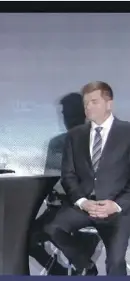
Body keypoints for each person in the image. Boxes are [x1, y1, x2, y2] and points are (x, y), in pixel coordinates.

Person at [44, 81, 130, 276]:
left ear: (109, 104)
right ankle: (85, 264)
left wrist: (115, 205)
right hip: (85, 207)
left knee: (115, 263)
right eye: (86, 104)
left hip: (117, 210)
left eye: (94, 102)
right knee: (52, 228)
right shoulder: (75, 136)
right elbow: (68, 175)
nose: (88, 107)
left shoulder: (127, 133)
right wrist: (82, 202)